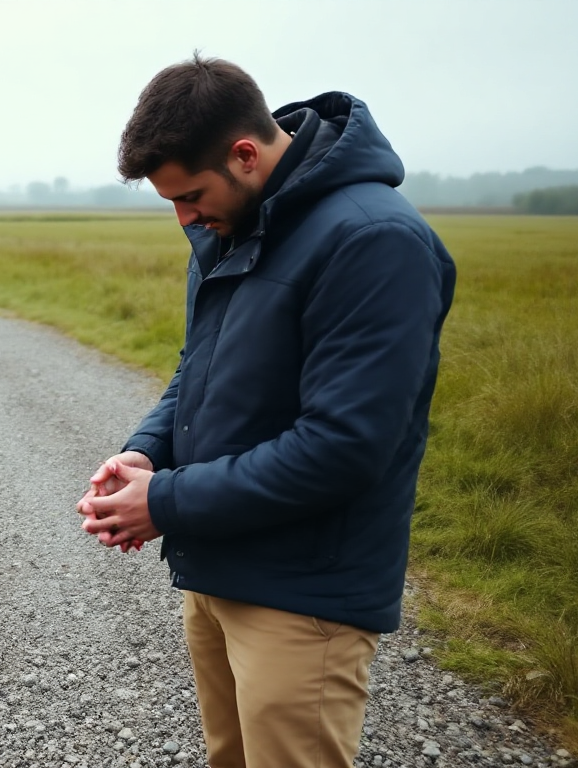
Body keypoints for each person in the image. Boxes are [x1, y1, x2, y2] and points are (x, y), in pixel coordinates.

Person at [76, 53, 457, 768]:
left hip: (303, 593)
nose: (185, 218)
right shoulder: (231, 224)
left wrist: (164, 500)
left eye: (190, 195)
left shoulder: (373, 239)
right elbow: (198, 369)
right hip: (218, 566)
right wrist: (147, 453)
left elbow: (343, 446)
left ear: (245, 155)